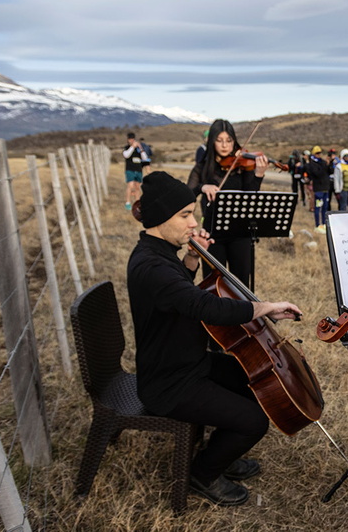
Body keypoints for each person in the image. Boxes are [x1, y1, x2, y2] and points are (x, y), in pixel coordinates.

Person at [127, 171, 302, 507]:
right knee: (254, 422)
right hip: (169, 382)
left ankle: (222, 454)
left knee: (254, 381)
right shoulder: (151, 267)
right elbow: (205, 306)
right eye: (185, 215)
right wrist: (265, 307)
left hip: (188, 362)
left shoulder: (158, 253)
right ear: (162, 217)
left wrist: (193, 259)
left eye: (192, 213)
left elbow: (177, 293)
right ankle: (202, 475)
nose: (194, 223)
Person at [187, 119, 268, 286]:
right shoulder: (202, 167)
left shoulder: (242, 166)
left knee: (241, 283)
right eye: (219, 140)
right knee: (213, 282)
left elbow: (250, 195)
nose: (224, 145)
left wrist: (259, 175)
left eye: (229, 140)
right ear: (212, 142)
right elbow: (187, 193)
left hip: (240, 231)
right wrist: (202, 187)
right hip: (211, 233)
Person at [304, 145, 330, 232]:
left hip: (325, 187)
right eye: (317, 153)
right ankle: (317, 225)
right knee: (318, 206)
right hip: (318, 188)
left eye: (320, 153)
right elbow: (317, 174)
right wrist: (324, 166)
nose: (319, 155)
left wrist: (329, 164)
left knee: (325, 207)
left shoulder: (323, 162)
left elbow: (329, 172)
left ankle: (324, 223)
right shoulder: (312, 164)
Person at [123, 132, 148, 210]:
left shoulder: (138, 149)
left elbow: (145, 158)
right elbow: (126, 155)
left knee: (137, 187)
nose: (131, 140)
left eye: (133, 139)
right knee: (130, 185)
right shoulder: (127, 148)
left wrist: (141, 148)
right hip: (130, 169)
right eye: (130, 139)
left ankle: (137, 203)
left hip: (138, 169)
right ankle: (128, 202)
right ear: (128, 140)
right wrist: (132, 147)